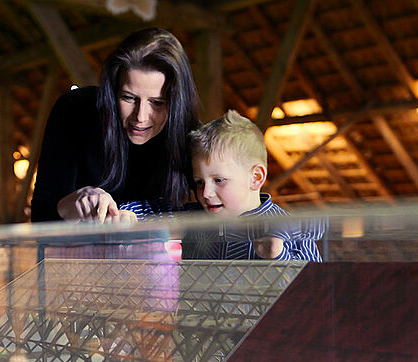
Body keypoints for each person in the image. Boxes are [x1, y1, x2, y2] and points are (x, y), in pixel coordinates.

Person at [30, 28, 200, 224]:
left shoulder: (190, 136)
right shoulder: (74, 111)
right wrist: (73, 203)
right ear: (112, 91)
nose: (141, 117)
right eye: (129, 98)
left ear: (177, 103)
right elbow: (41, 218)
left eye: (157, 103)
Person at [183, 110, 324, 261]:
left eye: (219, 180)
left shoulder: (291, 229)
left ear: (256, 178)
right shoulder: (196, 225)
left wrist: (278, 256)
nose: (206, 193)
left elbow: (314, 283)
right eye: (199, 182)